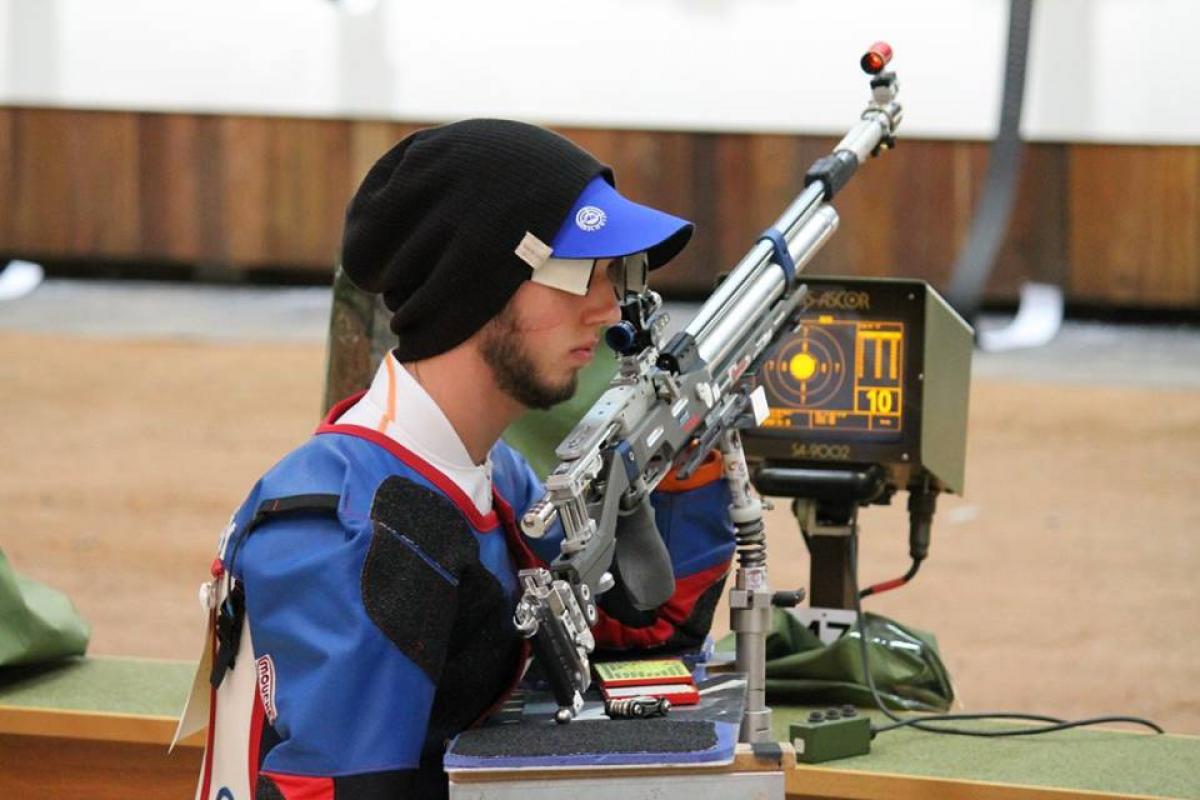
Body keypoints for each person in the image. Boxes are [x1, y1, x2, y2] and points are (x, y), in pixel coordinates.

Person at [193, 119, 736, 799]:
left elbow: (637, 637)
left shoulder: (486, 473)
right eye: (578, 272)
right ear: (474, 282)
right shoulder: (355, 529)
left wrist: (687, 461)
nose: (606, 308)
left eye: (615, 274)